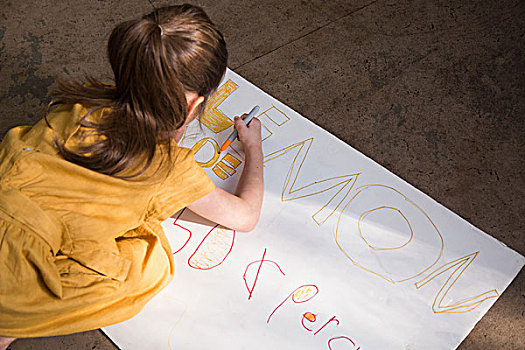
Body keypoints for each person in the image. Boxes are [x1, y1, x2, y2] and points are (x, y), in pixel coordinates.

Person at [0, 4, 263, 349]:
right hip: (12, 289)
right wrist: (253, 150)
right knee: (153, 264)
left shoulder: (75, 108)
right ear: (192, 106)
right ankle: (11, 325)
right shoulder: (168, 168)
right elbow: (245, 216)